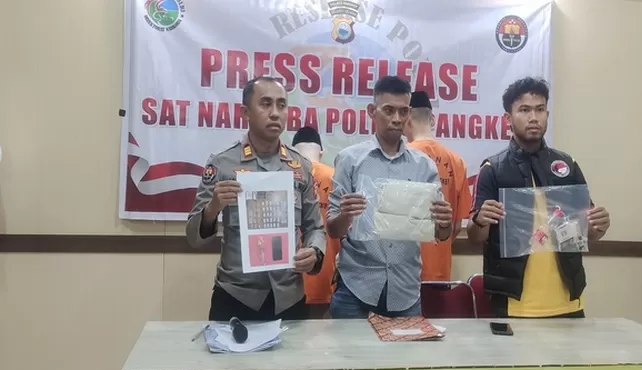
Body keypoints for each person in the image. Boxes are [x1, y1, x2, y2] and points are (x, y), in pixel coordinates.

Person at [467, 77, 610, 318]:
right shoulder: (492, 169)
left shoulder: (567, 165)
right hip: (514, 304)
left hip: (568, 302)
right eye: (524, 110)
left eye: (540, 109)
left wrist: (599, 225)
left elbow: (589, 232)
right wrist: (480, 220)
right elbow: (475, 236)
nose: (534, 117)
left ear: (547, 113)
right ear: (508, 118)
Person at [186, 76, 326, 321]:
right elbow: (193, 238)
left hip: (288, 298)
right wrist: (212, 208)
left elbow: (315, 226)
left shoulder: (300, 166)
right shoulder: (222, 163)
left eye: (281, 105)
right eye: (265, 104)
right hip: (236, 296)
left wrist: (314, 252)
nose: (275, 113)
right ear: (245, 112)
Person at [327, 76, 454, 319]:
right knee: (349, 347)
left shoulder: (424, 166)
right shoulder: (349, 160)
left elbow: (441, 233)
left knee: (409, 347)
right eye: (388, 110)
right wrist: (345, 215)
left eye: (403, 111)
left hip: (405, 289)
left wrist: (445, 222)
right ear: (372, 111)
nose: (397, 118)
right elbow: (333, 229)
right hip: (355, 288)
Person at [403, 90, 472, 281]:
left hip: (403, 273)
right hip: (439, 271)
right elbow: (455, 227)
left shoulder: (400, 158)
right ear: (432, 119)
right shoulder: (457, 162)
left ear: (406, 119)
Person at [291, 126, 340, 318]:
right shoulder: (336, 178)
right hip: (328, 275)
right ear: (321, 152)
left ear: (292, 151)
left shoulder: (286, 176)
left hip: (290, 278)